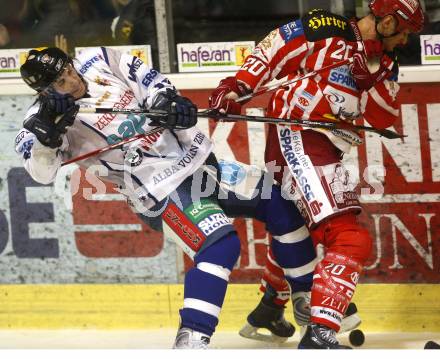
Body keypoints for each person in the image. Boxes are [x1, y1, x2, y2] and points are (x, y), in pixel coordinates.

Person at [15, 46, 318, 348]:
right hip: (159, 189)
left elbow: (152, 81)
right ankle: (191, 343)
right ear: (44, 91)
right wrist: (48, 137)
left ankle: (307, 312)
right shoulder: (34, 121)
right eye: (60, 81)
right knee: (220, 246)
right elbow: (41, 172)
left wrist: (168, 103)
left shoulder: (99, 58)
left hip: (202, 165)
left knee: (281, 205)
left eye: (69, 69)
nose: (72, 80)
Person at [209, 0, 424, 349]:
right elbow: (274, 48)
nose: (405, 42)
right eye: (404, 33)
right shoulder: (327, 28)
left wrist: (370, 76)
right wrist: (236, 87)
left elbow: (383, 118)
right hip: (298, 135)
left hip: (325, 146)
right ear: (386, 23)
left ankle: (270, 306)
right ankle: (321, 333)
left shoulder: (387, 63)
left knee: (292, 225)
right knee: (350, 237)